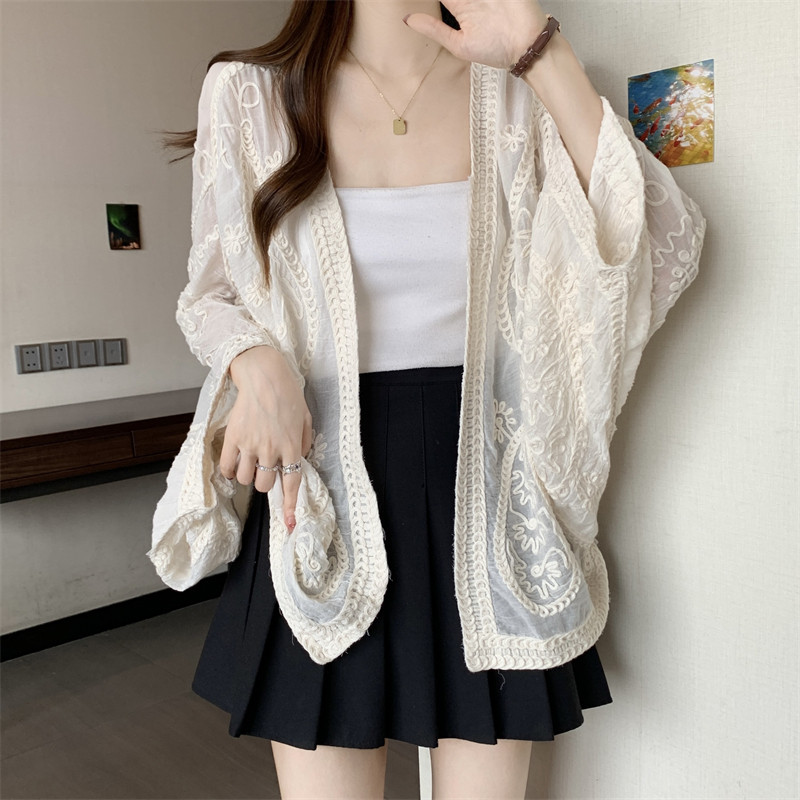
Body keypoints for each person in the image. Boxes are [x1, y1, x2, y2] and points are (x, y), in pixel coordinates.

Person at [150, 0, 706, 797]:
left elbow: (661, 243)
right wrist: (254, 359)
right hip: (321, 496)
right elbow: (211, 291)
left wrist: (539, 53)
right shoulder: (249, 93)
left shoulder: (514, 90)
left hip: (488, 502)